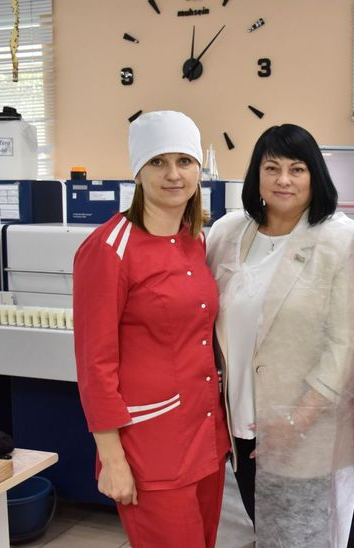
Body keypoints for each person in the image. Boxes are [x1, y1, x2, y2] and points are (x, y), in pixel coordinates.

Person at [206, 123, 354, 548]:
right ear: (256, 175)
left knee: (303, 538)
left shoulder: (340, 240)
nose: (284, 180)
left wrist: (296, 419)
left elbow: (350, 342)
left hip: (305, 431)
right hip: (238, 425)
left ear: (314, 176)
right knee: (257, 530)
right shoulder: (227, 233)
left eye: (297, 169)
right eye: (272, 168)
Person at [73, 111, 230, 548]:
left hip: (204, 438)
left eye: (185, 161)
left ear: (199, 170)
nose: (173, 174)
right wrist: (112, 459)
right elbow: (94, 365)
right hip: (149, 447)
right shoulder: (109, 249)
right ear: (138, 172)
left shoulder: (196, 241)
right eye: (158, 162)